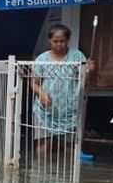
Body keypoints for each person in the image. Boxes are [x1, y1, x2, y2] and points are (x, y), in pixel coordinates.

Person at [30, 24, 96, 155]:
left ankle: (70, 174)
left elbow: (84, 81)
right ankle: (39, 173)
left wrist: (89, 71)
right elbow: (34, 83)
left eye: (62, 41)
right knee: (43, 144)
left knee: (71, 146)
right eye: (55, 41)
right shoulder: (42, 59)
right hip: (44, 110)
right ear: (50, 41)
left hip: (70, 109)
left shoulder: (77, 56)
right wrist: (41, 93)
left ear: (68, 40)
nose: (59, 44)